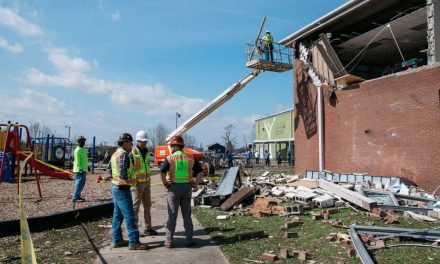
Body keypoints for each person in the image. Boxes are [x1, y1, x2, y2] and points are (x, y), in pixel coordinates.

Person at [160, 135, 204, 248]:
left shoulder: (170, 158)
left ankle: (169, 241)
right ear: (182, 146)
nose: (171, 148)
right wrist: (196, 183)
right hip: (187, 189)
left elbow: (161, 172)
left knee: (172, 215)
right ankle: (189, 240)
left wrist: (165, 183)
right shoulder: (190, 157)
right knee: (187, 216)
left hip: (173, 188)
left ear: (174, 146)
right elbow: (200, 172)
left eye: (171, 146)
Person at [109, 133, 147, 250]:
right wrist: (133, 181)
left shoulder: (115, 153)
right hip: (122, 188)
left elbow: (109, 171)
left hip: (115, 187)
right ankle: (134, 242)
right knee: (129, 215)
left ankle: (117, 239)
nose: (132, 145)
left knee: (118, 215)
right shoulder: (124, 154)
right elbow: (123, 174)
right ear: (125, 143)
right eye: (130, 143)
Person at [130, 130, 158, 236]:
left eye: (146, 141)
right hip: (137, 183)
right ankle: (135, 230)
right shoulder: (132, 153)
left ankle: (148, 228)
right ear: (138, 141)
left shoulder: (146, 152)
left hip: (146, 182)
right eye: (143, 141)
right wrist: (133, 181)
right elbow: (130, 169)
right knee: (135, 207)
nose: (145, 143)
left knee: (147, 205)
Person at [72, 136, 88, 202]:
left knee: (82, 183)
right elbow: (78, 161)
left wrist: (87, 167)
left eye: (84, 141)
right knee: (79, 183)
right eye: (82, 141)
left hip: (83, 169)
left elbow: (84, 160)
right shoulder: (77, 150)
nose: (83, 142)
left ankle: (78, 195)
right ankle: (75, 197)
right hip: (80, 170)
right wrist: (80, 169)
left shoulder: (83, 149)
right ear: (79, 142)